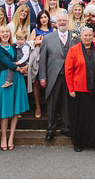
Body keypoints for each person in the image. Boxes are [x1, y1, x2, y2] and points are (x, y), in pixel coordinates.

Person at [65, 26, 95, 152]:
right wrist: (71, 89)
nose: (88, 38)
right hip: (80, 89)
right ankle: (79, 143)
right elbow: (68, 70)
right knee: (81, 118)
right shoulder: (74, 50)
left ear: (93, 36)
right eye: (85, 35)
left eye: (90, 35)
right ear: (81, 37)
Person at [38, 12, 77, 140]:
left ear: (68, 21)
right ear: (56, 22)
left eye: (64, 20)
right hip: (54, 75)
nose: (62, 22)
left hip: (70, 76)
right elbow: (42, 59)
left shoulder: (75, 37)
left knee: (67, 102)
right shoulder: (48, 38)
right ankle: (51, 129)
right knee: (53, 103)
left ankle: (66, 127)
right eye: (59, 20)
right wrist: (42, 77)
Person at [0, 25, 29, 151]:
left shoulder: (15, 46)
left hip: (18, 78)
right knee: (5, 108)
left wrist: (26, 66)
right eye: (3, 32)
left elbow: (24, 55)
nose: (5, 34)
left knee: (15, 109)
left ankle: (11, 136)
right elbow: (7, 63)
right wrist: (20, 68)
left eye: (7, 31)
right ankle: (3, 136)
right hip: (5, 78)